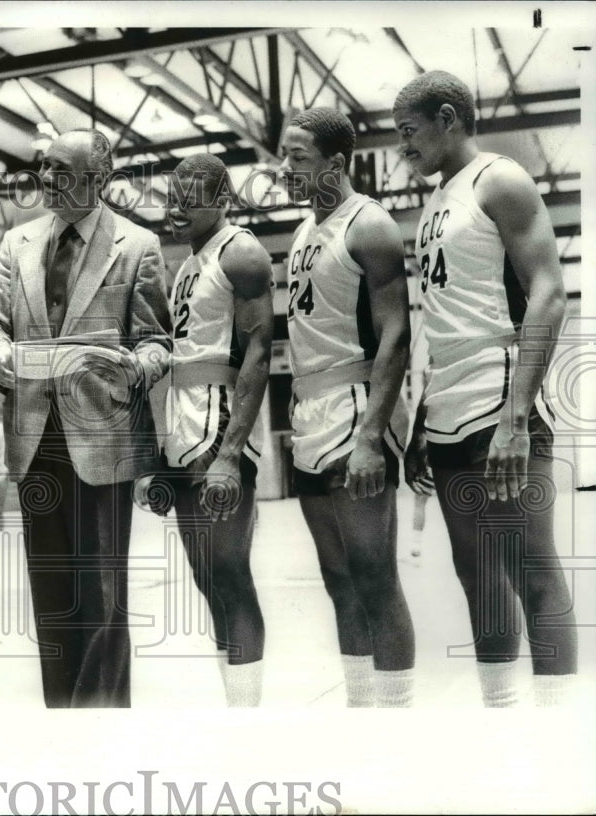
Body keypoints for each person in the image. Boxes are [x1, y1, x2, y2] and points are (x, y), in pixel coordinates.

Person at [393, 71, 577, 706]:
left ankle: (558, 732)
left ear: (448, 117)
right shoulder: (434, 202)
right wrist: (419, 418)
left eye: (408, 132)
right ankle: (501, 723)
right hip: (446, 401)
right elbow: (441, 320)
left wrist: (515, 418)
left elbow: (550, 296)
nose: (401, 148)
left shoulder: (499, 179)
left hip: (500, 393)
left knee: (532, 568)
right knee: (477, 576)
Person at [0, 129, 171, 708]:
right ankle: (61, 721)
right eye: (45, 168)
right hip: (33, 441)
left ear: (100, 179)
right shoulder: (16, 242)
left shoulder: (137, 245)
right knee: (52, 596)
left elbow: (158, 342)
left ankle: (100, 730)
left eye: (64, 171)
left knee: (103, 597)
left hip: (103, 443)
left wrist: (133, 369)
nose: (47, 180)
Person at [279, 107, 416, 707]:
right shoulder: (308, 231)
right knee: (338, 580)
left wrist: (370, 437)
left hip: (356, 410)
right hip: (310, 415)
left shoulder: (370, 225)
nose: (284, 168)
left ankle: (396, 718)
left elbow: (396, 334)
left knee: (374, 577)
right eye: (284, 155)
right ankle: (361, 711)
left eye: (297, 156)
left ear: (336, 163)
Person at [134, 153, 273, 706]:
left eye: (190, 197)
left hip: (217, 428)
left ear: (222, 199)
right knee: (208, 578)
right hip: (183, 426)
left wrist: (230, 453)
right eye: (172, 196)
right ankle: (235, 702)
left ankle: (248, 714)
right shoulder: (190, 263)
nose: (176, 208)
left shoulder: (240, 251)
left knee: (230, 574)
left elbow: (260, 351)